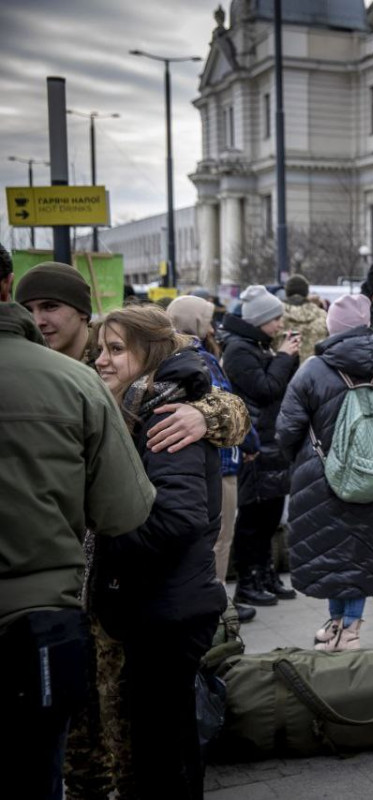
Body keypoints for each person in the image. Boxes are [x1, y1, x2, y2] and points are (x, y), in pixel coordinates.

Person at [0, 302, 154, 800]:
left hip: (64, 610)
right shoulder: (76, 383)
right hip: (41, 612)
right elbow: (125, 511)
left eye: (118, 350)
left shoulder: (154, 395)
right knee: (37, 767)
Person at [90, 305, 226, 797]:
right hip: (161, 602)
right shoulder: (137, 405)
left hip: (169, 607)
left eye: (116, 350)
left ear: (149, 354)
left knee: (164, 747)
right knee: (163, 739)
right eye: (100, 349)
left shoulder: (164, 415)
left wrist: (107, 541)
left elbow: (180, 517)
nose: (102, 360)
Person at [275, 293, 373, 652]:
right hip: (370, 475)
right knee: (361, 551)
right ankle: (350, 629)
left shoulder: (313, 370)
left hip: (320, 476)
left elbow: (286, 429)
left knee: (330, 551)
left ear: (332, 327)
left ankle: (335, 624)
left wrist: (305, 459)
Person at [15, 261, 249, 455]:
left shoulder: (120, 356)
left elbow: (236, 410)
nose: (37, 321)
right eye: (28, 310)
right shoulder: (20, 366)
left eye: (50, 306)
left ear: (82, 312)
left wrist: (203, 415)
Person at [168, 295, 258, 623]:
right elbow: (228, 405)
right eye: (206, 318)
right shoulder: (201, 359)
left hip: (199, 463)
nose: (212, 325)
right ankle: (219, 609)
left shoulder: (173, 355)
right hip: (220, 463)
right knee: (221, 536)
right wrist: (249, 441)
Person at [222, 285, 301, 606]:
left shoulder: (260, 344)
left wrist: (286, 356)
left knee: (270, 516)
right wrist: (283, 357)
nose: (280, 324)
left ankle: (266, 572)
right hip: (254, 442)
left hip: (272, 440)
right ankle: (248, 580)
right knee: (253, 518)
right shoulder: (239, 350)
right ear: (259, 320)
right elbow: (266, 388)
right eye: (276, 318)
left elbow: (280, 384)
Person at [271, 274, 328, 362]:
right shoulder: (322, 315)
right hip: (314, 371)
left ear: (287, 292)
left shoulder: (274, 316)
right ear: (306, 292)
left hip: (281, 371)